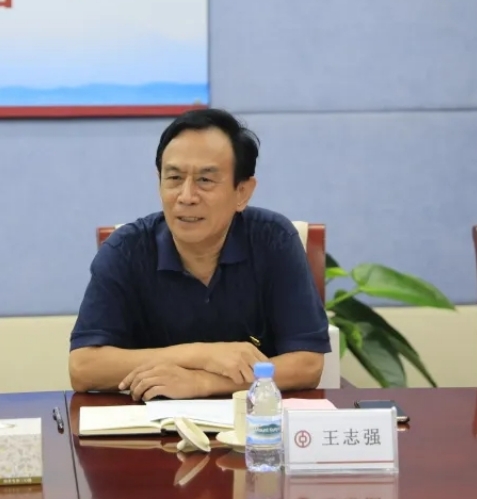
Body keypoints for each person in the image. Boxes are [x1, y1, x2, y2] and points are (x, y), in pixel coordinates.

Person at [69, 108, 331, 401]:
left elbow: (307, 364)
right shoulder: (126, 250)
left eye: (205, 180)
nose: (186, 196)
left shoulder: (274, 239)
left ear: (242, 192)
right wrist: (202, 354)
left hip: (254, 420)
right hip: (151, 421)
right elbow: (83, 367)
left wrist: (203, 382)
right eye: (174, 178)